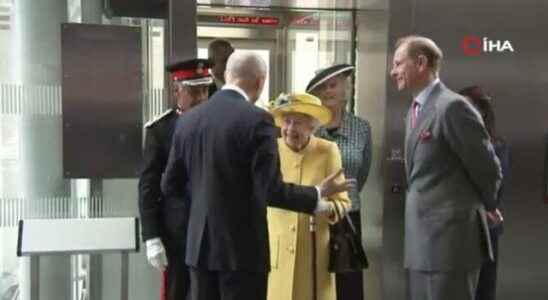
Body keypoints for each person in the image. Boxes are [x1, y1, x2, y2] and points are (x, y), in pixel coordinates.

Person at [161, 52, 355, 300]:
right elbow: (269, 190)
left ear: (227, 76)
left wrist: (204, 203)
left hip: (199, 249)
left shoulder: (188, 121)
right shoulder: (257, 119)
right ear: (260, 81)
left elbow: (169, 186)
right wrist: (316, 194)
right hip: (243, 251)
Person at [389, 35, 502, 300]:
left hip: (451, 245)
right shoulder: (417, 108)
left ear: (420, 63)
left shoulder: (452, 107)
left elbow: (487, 167)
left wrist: (488, 205)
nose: (392, 71)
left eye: (398, 63)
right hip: (421, 243)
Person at [138, 58, 212, 300]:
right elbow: (148, 186)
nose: (201, 97)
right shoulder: (160, 129)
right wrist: (152, 236)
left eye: (204, 90)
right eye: (194, 91)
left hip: (214, 228)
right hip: (177, 231)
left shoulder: (219, 124)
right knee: (177, 292)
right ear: (177, 90)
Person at [266, 93, 351, 300]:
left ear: (312, 127)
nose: (290, 129)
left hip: (314, 255)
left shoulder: (327, 150)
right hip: (276, 254)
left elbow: (343, 202)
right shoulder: (271, 150)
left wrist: (323, 207)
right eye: (287, 121)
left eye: (298, 123)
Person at [306, 63, 372, 300]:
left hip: (348, 216)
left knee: (348, 287)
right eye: (322, 87)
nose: (327, 92)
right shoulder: (307, 125)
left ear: (345, 88)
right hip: (314, 213)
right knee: (314, 282)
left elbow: (362, 173)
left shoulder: (361, 127)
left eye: (332, 85)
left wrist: (346, 197)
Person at [459, 85, 510, 300]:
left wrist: (485, 205)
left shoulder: (497, 146)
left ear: (481, 111)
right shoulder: (449, 142)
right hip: (455, 226)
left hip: (485, 226)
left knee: (483, 288)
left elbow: (494, 186)